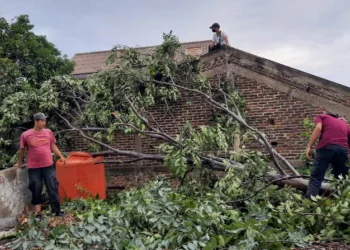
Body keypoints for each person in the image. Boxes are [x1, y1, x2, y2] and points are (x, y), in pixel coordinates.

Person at [13, 112, 66, 218]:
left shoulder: (48, 132)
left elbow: (52, 145)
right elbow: (22, 150)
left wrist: (61, 156)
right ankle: (38, 213)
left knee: (53, 187)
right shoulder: (26, 135)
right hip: (34, 167)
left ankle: (57, 211)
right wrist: (19, 163)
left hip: (48, 166)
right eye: (42, 120)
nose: (44, 122)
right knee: (36, 188)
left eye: (45, 120)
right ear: (36, 121)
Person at [305, 112, 350, 198]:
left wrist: (309, 147)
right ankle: (341, 200)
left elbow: (318, 128)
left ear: (327, 114)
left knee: (316, 178)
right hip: (342, 150)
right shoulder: (344, 124)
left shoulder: (322, 116)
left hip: (326, 148)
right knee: (341, 178)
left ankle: (309, 203)